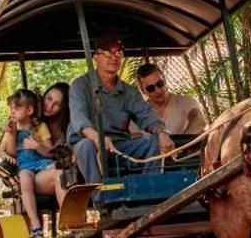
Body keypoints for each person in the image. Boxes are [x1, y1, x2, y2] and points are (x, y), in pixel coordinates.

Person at [67, 38, 173, 184]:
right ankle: (100, 198)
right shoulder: (80, 86)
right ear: (96, 56)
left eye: (118, 53)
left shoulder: (129, 92)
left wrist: (162, 133)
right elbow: (79, 119)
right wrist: (98, 138)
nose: (113, 58)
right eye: (107, 53)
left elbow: (148, 116)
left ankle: (148, 192)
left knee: (155, 141)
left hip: (119, 147)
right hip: (90, 146)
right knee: (86, 146)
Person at [0, 88, 59, 238]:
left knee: (60, 172)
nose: (13, 112)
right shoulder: (10, 130)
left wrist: (37, 145)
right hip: (25, 166)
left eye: (17, 108)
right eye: (11, 108)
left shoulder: (39, 128)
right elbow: (3, 151)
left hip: (42, 163)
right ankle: (36, 226)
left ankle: (66, 221)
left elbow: (50, 151)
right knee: (24, 179)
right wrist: (10, 135)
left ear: (30, 110)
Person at [134, 61, 207, 134]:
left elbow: (199, 120)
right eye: (151, 88)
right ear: (142, 91)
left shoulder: (185, 102)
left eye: (160, 84)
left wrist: (182, 141)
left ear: (164, 81)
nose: (158, 90)